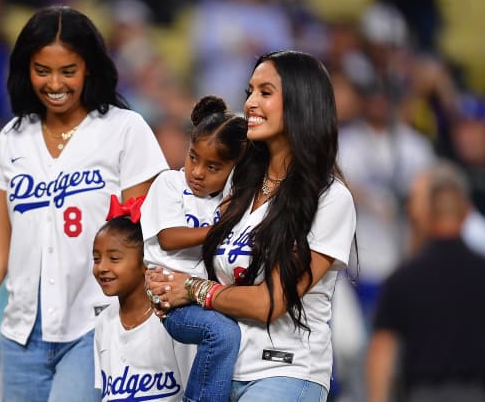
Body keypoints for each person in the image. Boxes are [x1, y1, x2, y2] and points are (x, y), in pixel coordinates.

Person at [0, 5, 168, 402]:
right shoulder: (12, 139)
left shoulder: (125, 130)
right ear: (26, 70)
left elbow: (141, 240)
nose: (55, 83)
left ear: (89, 68)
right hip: (21, 336)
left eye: (68, 70)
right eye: (43, 70)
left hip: (97, 325)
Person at [146, 50, 357, 401]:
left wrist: (193, 289)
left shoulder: (329, 198)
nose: (250, 104)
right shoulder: (238, 186)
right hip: (224, 371)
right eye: (250, 92)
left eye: (265, 92)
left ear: (300, 103)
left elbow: (269, 303)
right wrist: (162, 281)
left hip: (286, 373)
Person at [365, 162, 485, 402]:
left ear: (428, 214)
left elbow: (381, 351)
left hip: (423, 394)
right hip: (480, 394)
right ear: (465, 212)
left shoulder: (404, 279)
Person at [141, 94, 246, 401]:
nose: (197, 172)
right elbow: (168, 238)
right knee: (223, 334)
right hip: (173, 299)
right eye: (193, 157)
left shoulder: (235, 199)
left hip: (209, 297)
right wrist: (218, 229)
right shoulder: (170, 184)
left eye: (213, 166)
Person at [93, 196, 195, 401]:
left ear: (145, 262)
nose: (102, 267)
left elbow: (193, 391)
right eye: (96, 259)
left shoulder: (174, 318)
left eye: (114, 258)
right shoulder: (104, 321)